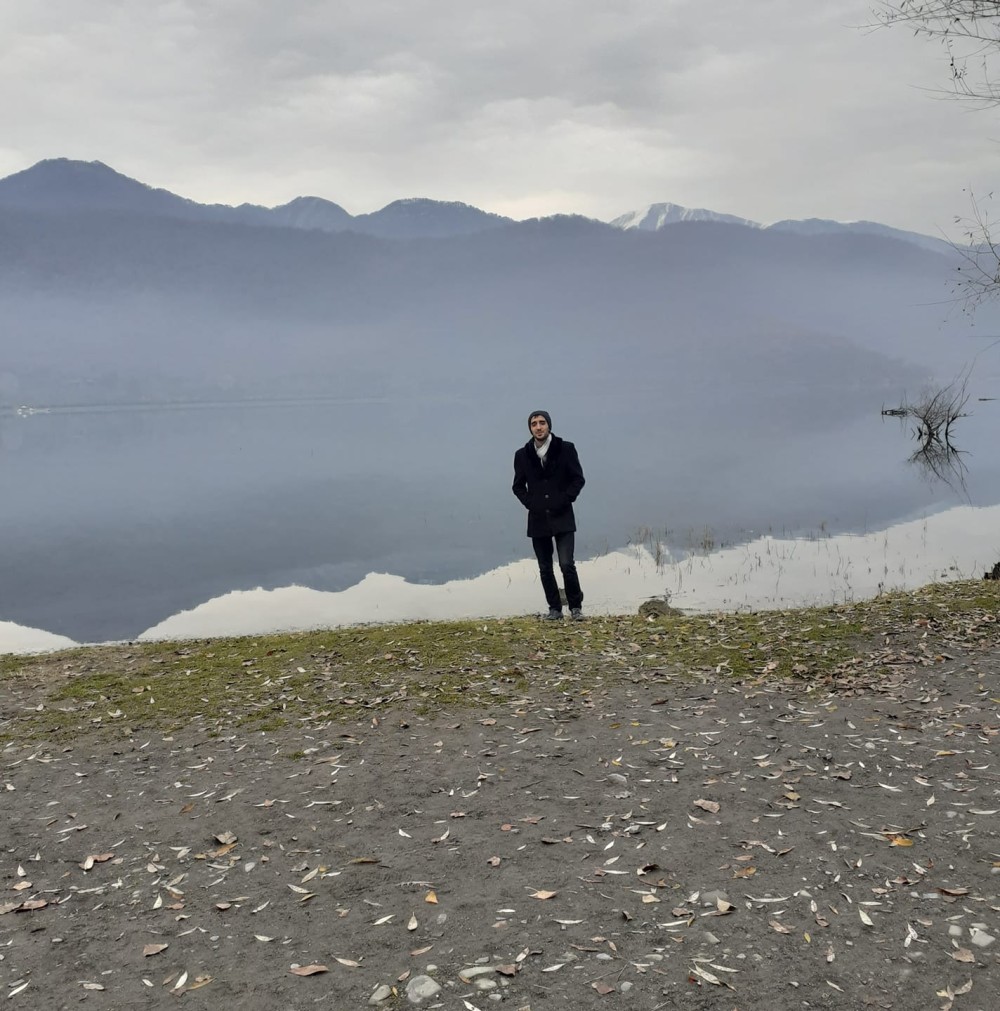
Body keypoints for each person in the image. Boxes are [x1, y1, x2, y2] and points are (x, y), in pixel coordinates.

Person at [512, 410, 586, 620]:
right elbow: (517, 486)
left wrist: (565, 499)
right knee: (545, 567)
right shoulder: (522, 455)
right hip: (538, 519)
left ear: (549, 425)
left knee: (566, 564)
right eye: (534, 424)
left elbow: (578, 479)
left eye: (542, 422)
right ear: (530, 428)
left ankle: (576, 607)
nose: (538, 427)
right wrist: (531, 503)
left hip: (563, 515)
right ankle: (554, 609)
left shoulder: (566, 449)